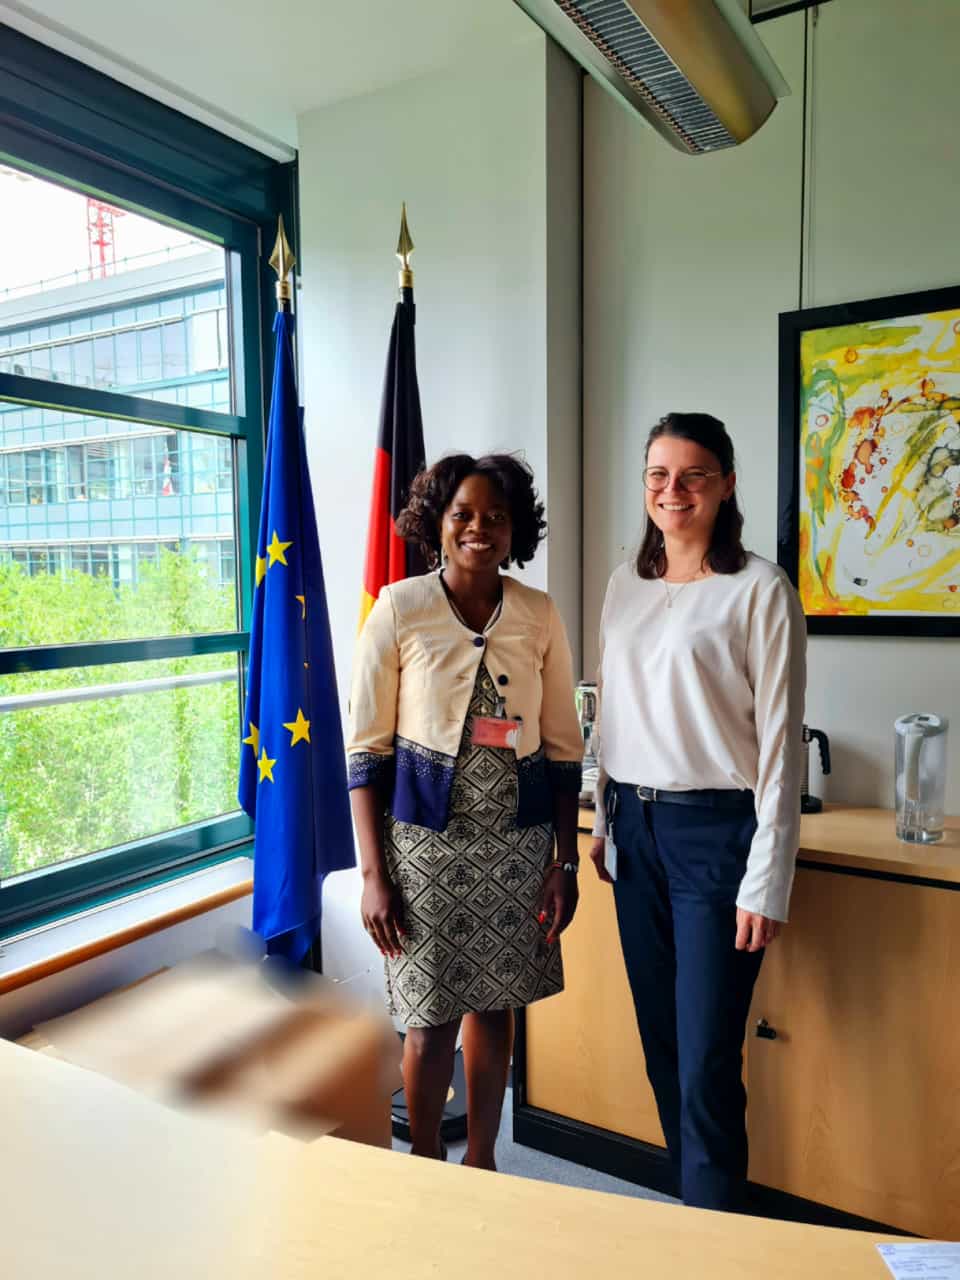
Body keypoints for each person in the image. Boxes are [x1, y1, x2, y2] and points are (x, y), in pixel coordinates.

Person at [589, 412, 806, 1213]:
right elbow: (610, 710)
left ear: (727, 485)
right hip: (634, 832)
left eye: (692, 475)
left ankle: (718, 1242)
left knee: (707, 1061)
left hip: (717, 835)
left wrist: (767, 879)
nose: (671, 491)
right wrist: (604, 819)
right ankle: (697, 1223)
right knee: (661, 1050)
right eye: (657, 475)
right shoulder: (625, 584)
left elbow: (781, 744)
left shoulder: (760, 589)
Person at [348, 452, 583, 1169]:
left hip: (515, 845)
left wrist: (562, 861)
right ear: (438, 524)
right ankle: (426, 1162)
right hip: (422, 852)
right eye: (464, 515)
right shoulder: (399, 607)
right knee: (428, 1021)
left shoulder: (539, 613)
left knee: (497, 1006)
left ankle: (483, 1162)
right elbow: (365, 751)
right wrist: (372, 874)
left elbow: (566, 749)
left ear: (516, 529)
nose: (480, 528)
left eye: (496, 517)